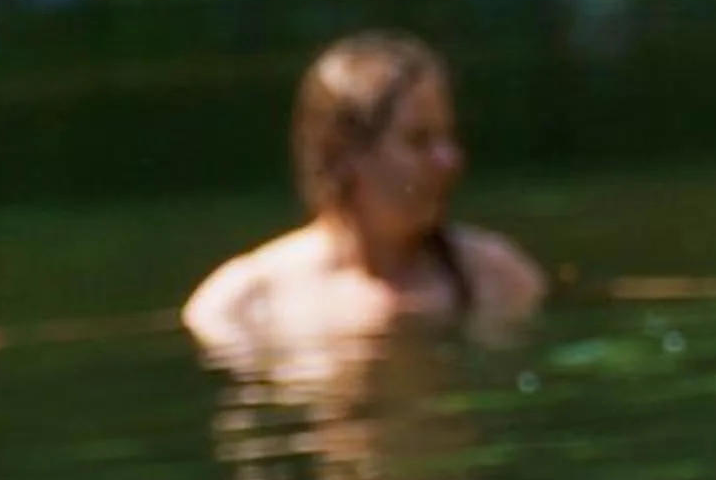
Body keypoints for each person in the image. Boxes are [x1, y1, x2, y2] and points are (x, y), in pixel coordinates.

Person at [183, 31, 546, 356]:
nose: (450, 160)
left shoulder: (496, 277)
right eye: (419, 141)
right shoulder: (245, 303)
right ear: (340, 154)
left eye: (447, 137)